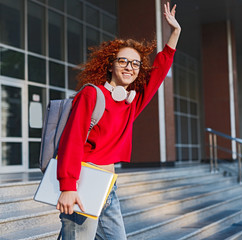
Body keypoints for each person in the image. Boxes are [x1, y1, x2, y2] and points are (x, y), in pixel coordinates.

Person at [55, 2, 181, 239]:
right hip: (82, 184)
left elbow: (158, 72)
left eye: (135, 64)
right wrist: (68, 187)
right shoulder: (92, 94)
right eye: (123, 61)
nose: (130, 67)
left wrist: (175, 33)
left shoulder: (130, 103)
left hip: (108, 187)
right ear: (110, 64)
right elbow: (70, 141)